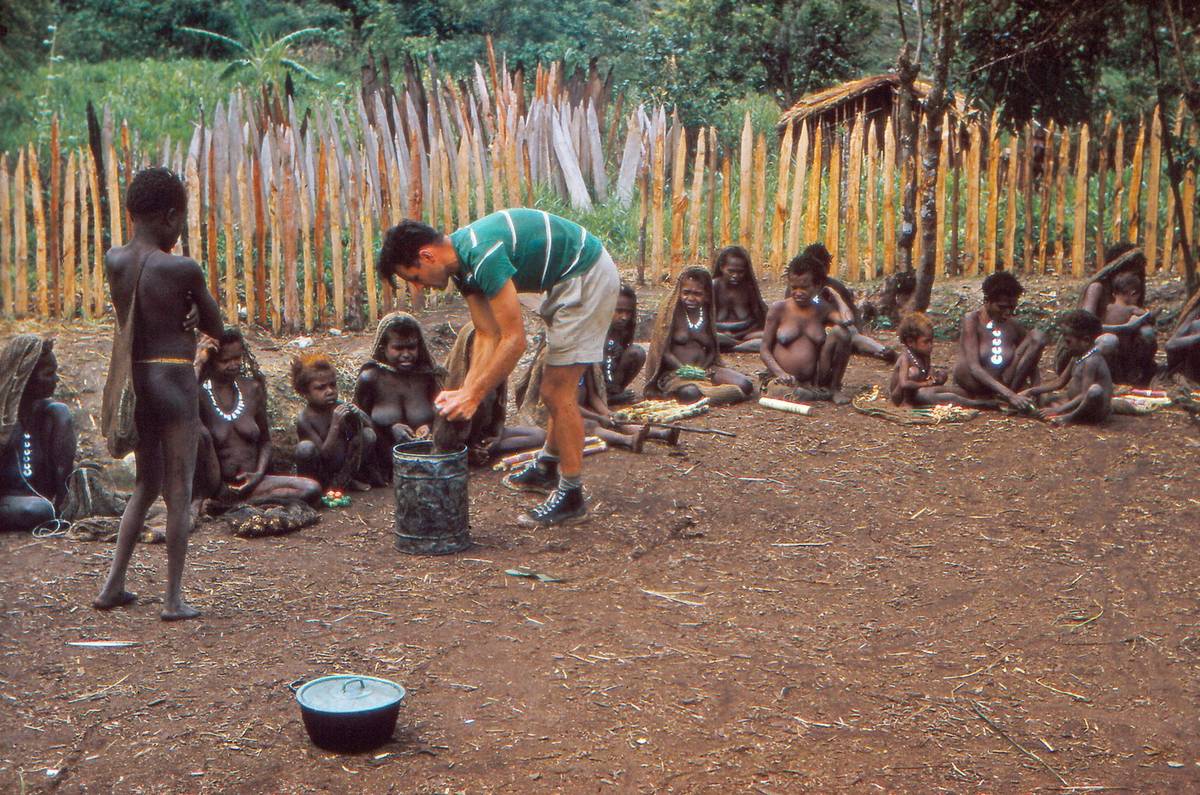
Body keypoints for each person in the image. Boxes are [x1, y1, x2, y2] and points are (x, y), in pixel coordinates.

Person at [377, 209, 619, 527]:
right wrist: (465, 389)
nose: (419, 287)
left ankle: (571, 494)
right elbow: (487, 334)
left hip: (586, 276)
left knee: (558, 392)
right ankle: (547, 464)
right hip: (566, 280)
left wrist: (474, 395)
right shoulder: (463, 268)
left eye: (415, 277)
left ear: (427, 255)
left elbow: (514, 341)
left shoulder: (482, 254)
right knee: (551, 391)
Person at [94, 167, 223, 621]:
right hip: (173, 380)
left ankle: (113, 585)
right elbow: (217, 327)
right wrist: (192, 310)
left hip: (137, 381)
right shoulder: (182, 267)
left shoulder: (115, 260)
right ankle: (172, 599)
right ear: (170, 217)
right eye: (182, 219)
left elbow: (134, 314)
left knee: (144, 485)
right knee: (178, 490)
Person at [195, 327, 321, 509]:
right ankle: (227, 500)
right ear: (211, 360)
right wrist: (198, 361)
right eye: (225, 360)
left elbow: (265, 442)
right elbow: (181, 402)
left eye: (237, 358)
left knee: (312, 488)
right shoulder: (199, 394)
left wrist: (258, 474)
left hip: (255, 484)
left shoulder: (252, 389)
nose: (233, 365)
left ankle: (235, 505)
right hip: (218, 487)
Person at [643, 266, 754, 405]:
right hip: (676, 372)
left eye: (697, 294)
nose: (691, 298)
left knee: (745, 384)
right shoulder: (670, 313)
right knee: (690, 393)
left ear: (707, 294)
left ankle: (711, 394)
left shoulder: (706, 313)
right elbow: (662, 351)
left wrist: (703, 371)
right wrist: (685, 370)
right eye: (686, 292)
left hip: (706, 370)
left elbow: (712, 348)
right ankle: (718, 394)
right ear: (679, 291)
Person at [353, 312, 444, 482]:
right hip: (384, 462)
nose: (406, 354)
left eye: (411, 347)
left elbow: (442, 413)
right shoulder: (371, 377)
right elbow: (357, 421)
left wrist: (429, 427)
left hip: (426, 459)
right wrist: (389, 429)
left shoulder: (427, 376)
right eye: (398, 348)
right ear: (384, 348)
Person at [759, 245, 854, 404]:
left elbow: (847, 321)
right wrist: (780, 373)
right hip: (783, 380)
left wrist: (837, 297)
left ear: (817, 286)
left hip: (814, 379)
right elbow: (764, 349)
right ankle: (804, 393)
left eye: (804, 287)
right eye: (794, 287)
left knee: (842, 333)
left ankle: (834, 387)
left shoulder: (821, 309)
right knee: (789, 393)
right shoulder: (779, 309)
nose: (798, 292)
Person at [0, 336, 76, 532]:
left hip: (41, 501)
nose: (56, 379)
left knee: (62, 412)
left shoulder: (50, 416)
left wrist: (64, 499)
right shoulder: (4, 420)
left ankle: (60, 510)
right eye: (48, 374)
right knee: (39, 510)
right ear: (26, 377)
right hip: (10, 501)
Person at [952, 271, 1046, 412]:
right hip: (976, 387)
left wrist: (1036, 389)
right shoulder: (972, 320)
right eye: (1002, 307)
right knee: (927, 395)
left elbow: (1031, 359)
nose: (1007, 313)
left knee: (1037, 336)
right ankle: (990, 400)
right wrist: (1010, 395)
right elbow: (974, 368)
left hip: (1006, 385)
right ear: (987, 301)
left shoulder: (1013, 325)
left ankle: (1005, 399)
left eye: (1012, 308)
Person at [292, 352, 376, 492]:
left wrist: (358, 414)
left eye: (333, 385)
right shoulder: (305, 419)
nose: (330, 391)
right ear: (304, 393)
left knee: (368, 434)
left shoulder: (339, 406)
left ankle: (346, 481)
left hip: (343, 467)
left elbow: (370, 428)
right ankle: (315, 490)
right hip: (321, 472)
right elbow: (324, 455)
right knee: (305, 448)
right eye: (321, 387)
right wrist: (335, 424)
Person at [1022, 310, 1113, 425]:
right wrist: (1031, 391)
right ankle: (1065, 412)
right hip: (1076, 403)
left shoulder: (1091, 360)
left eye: (1068, 342)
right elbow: (1060, 382)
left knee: (1095, 391)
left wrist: (1059, 410)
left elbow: (1085, 394)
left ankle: (1069, 418)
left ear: (1086, 340)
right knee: (1046, 399)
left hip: (1093, 410)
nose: (1065, 346)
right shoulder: (1078, 356)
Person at [889, 313, 993, 408]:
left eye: (931, 341)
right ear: (910, 342)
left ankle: (971, 397)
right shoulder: (905, 358)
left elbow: (928, 373)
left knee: (951, 386)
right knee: (914, 373)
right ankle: (975, 404)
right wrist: (926, 384)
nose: (930, 346)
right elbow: (904, 384)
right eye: (926, 342)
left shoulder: (924, 354)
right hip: (902, 396)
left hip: (920, 390)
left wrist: (936, 378)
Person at [1098, 270, 1157, 385]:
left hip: (1110, 352)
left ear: (1114, 294)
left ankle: (1115, 380)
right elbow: (1149, 317)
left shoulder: (1107, 308)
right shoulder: (1131, 309)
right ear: (1133, 293)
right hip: (1126, 352)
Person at [711, 246, 768, 353]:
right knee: (710, 337)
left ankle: (734, 346)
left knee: (770, 336)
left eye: (740, 272)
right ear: (722, 267)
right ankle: (739, 345)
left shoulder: (748, 288)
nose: (735, 276)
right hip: (718, 332)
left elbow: (758, 317)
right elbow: (704, 317)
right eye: (731, 271)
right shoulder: (713, 286)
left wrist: (740, 335)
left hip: (747, 333)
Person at [603, 283, 646, 405]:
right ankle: (603, 397)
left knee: (637, 353)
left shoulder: (623, 330)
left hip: (611, 378)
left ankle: (614, 393)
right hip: (591, 383)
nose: (624, 317)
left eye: (628, 313)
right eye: (619, 311)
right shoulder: (596, 327)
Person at [1166, 291, 1200, 384]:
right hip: (1194, 372)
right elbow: (1170, 345)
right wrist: (1197, 337)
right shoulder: (1195, 313)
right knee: (1197, 325)